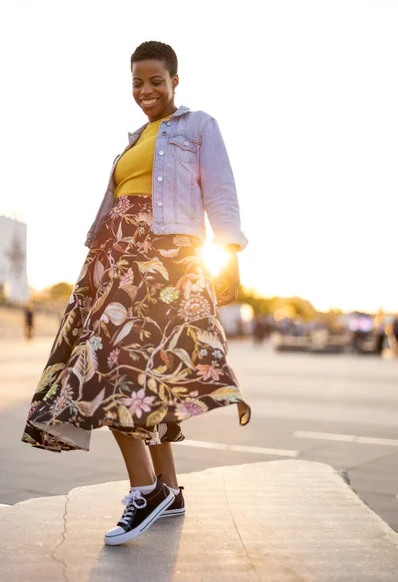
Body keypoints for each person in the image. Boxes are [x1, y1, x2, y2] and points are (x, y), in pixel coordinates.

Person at [22, 41, 250, 546]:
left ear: (175, 81)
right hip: (114, 262)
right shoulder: (134, 139)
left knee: (109, 369)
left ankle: (144, 490)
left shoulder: (197, 126)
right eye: (137, 83)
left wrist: (229, 249)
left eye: (155, 81)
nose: (145, 91)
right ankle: (169, 488)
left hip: (164, 262)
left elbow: (220, 188)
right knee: (146, 375)